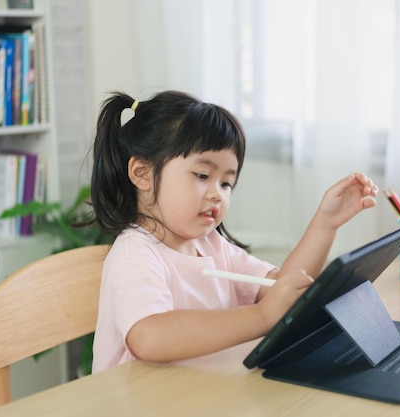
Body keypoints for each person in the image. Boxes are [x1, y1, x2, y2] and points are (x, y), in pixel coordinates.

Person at [89, 90, 379, 373]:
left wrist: (325, 224)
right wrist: (261, 316)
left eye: (226, 183)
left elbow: (281, 288)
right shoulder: (134, 255)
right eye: (203, 176)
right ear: (141, 174)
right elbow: (150, 337)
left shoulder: (212, 245)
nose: (217, 194)